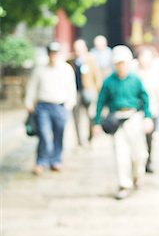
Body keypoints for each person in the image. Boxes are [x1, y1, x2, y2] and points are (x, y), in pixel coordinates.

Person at [93, 45, 153, 200]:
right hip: (116, 119)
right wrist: (97, 122)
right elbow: (101, 102)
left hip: (133, 118)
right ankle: (124, 184)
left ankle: (137, 175)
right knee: (121, 154)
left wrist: (147, 117)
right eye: (118, 63)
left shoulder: (135, 80)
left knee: (139, 153)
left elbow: (145, 99)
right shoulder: (109, 82)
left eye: (123, 62)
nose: (121, 66)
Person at [25, 42, 77, 175]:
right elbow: (32, 86)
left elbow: (71, 88)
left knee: (59, 135)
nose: (53, 56)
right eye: (51, 53)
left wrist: (70, 104)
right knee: (44, 135)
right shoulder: (40, 70)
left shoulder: (66, 69)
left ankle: (56, 160)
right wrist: (29, 101)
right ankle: (40, 161)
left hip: (60, 106)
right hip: (43, 106)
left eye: (55, 53)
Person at [132, 46, 159, 173]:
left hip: (152, 109)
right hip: (136, 110)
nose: (144, 60)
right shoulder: (133, 71)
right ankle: (138, 162)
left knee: (150, 138)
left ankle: (148, 161)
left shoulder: (155, 72)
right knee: (137, 137)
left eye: (147, 57)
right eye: (142, 57)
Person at [68, 39, 102, 145]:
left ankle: (90, 137)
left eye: (80, 49)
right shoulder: (70, 61)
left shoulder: (91, 60)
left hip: (88, 91)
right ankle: (79, 141)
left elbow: (97, 76)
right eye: (76, 49)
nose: (78, 51)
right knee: (76, 117)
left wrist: (97, 92)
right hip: (75, 92)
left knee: (90, 115)